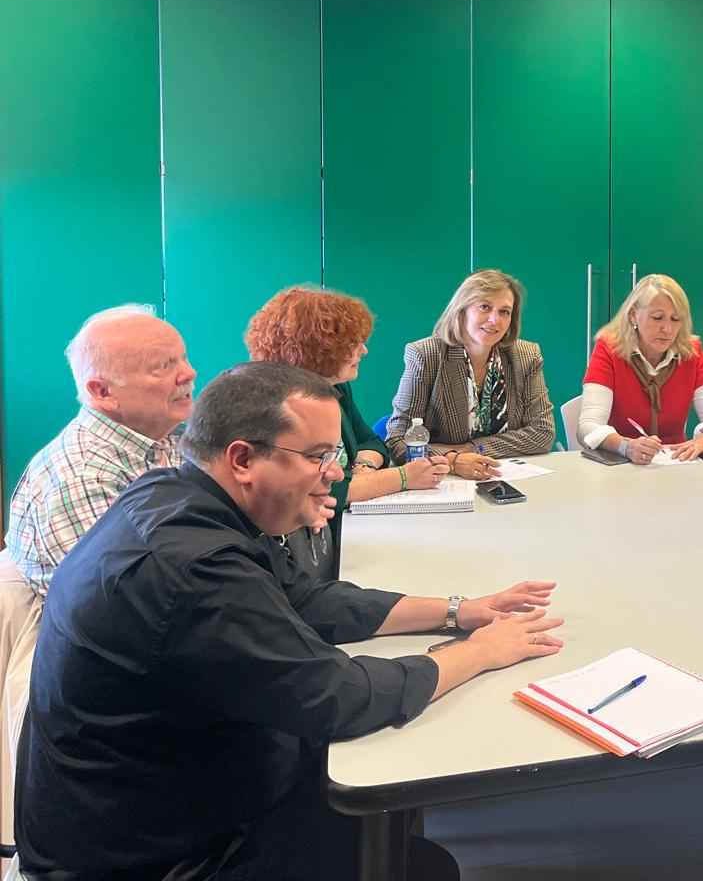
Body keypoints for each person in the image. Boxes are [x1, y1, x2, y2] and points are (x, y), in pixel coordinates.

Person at [15, 361, 566, 880]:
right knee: (416, 866)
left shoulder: (175, 496)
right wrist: (480, 652)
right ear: (242, 460)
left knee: (395, 834)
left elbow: (306, 599)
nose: (335, 473)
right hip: (159, 857)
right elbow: (338, 697)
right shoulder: (195, 571)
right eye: (318, 455)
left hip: (163, 797)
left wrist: (459, 611)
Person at [3, 304, 195, 855]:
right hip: (112, 691)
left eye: (182, 358)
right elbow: (125, 619)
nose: (188, 373)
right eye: (163, 366)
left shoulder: (160, 440)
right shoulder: (82, 477)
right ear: (101, 391)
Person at [246, 285, 450, 576]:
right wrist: (404, 476)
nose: (364, 351)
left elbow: (371, 440)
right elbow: (327, 490)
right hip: (313, 550)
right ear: (317, 348)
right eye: (353, 344)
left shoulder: (336, 386)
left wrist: (365, 467)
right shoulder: (277, 407)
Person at [387, 269, 556, 480]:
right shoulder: (426, 355)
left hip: (503, 475)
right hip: (443, 479)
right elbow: (398, 440)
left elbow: (542, 433)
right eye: (485, 307)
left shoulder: (526, 356)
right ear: (462, 309)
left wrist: (471, 449)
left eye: (504, 312)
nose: (495, 320)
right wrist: (452, 461)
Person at [579, 274, 703, 465]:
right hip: (622, 465)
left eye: (675, 319)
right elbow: (588, 426)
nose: (667, 329)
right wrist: (626, 446)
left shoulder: (691, 352)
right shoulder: (609, 349)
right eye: (657, 318)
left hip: (677, 464)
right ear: (633, 316)